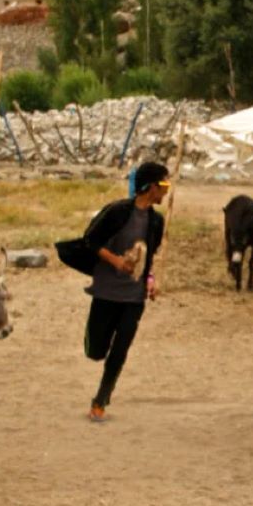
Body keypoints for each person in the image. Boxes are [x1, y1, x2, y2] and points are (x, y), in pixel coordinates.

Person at [78, 161, 169, 422]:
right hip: (106, 291)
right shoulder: (117, 212)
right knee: (96, 349)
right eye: (164, 185)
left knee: (120, 351)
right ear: (151, 187)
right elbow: (90, 240)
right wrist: (116, 261)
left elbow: (150, 258)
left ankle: (101, 400)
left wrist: (149, 280)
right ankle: (95, 350)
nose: (166, 191)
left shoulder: (156, 222)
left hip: (133, 297)